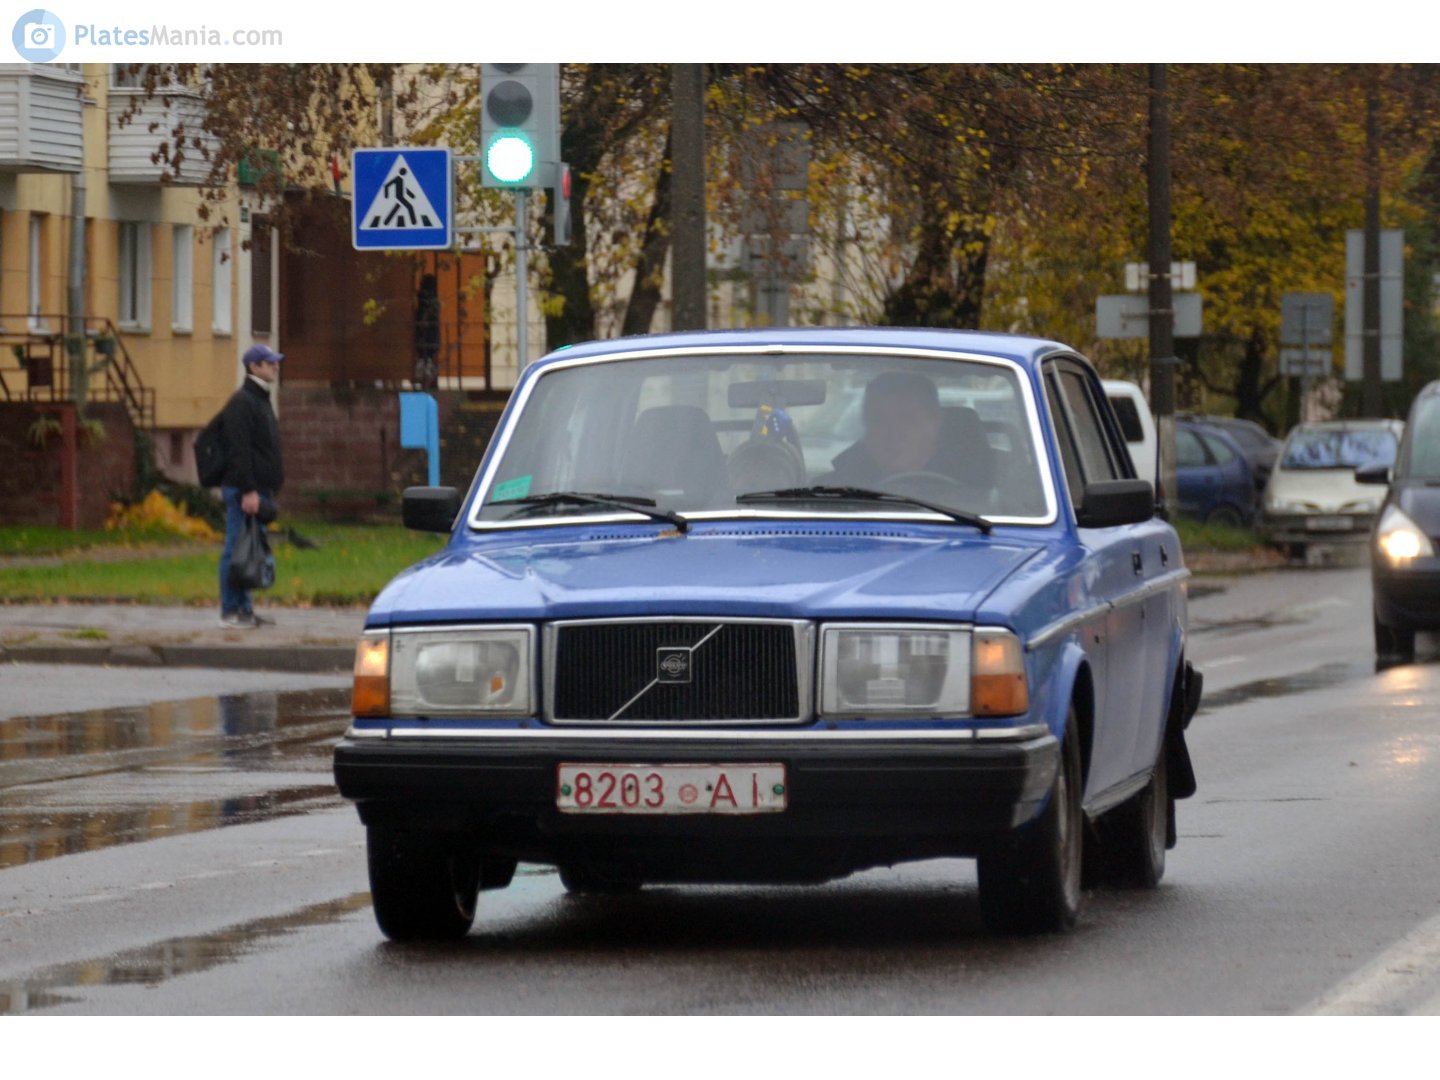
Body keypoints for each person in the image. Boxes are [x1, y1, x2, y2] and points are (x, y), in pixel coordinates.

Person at [218, 344, 285, 628]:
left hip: (257, 489)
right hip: (246, 490)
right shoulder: (243, 402)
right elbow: (238, 451)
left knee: (248, 550)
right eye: (269, 363)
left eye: (275, 362)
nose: (275, 367)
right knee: (237, 549)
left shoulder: (259, 399)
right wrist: (248, 490)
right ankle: (231, 611)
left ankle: (244, 609)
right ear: (253, 367)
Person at [823, 370, 947, 485]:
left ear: (935, 422)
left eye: (907, 419)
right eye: (879, 421)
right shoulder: (829, 493)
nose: (893, 434)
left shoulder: (965, 482)